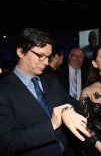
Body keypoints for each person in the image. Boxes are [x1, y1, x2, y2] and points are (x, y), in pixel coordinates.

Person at [0, 27, 90, 156]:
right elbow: (10, 141)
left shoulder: (51, 79)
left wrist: (67, 110)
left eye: (48, 57)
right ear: (21, 52)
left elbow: (72, 102)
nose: (46, 62)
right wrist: (52, 124)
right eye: (40, 56)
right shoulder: (3, 90)